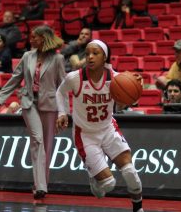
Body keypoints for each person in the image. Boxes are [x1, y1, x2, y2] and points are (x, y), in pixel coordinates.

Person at [55, 39, 144, 212]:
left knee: (130, 172)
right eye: (87, 53)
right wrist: (62, 112)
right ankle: (95, 179)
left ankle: (138, 208)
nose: (90, 57)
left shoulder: (115, 78)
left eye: (95, 53)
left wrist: (138, 86)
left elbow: (133, 92)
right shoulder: (75, 78)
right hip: (85, 135)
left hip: (108, 129)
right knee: (108, 185)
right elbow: (60, 92)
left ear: (105, 57)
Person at [0, 25, 65, 199]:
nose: (31, 39)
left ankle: (41, 184)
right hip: (29, 103)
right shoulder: (27, 56)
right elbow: (15, 79)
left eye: (35, 37)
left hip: (50, 105)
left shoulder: (58, 59)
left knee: (47, 146)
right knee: (37, 140)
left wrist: (63, 112)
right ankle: (41, 186)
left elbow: (62, 88)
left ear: (44, 38)